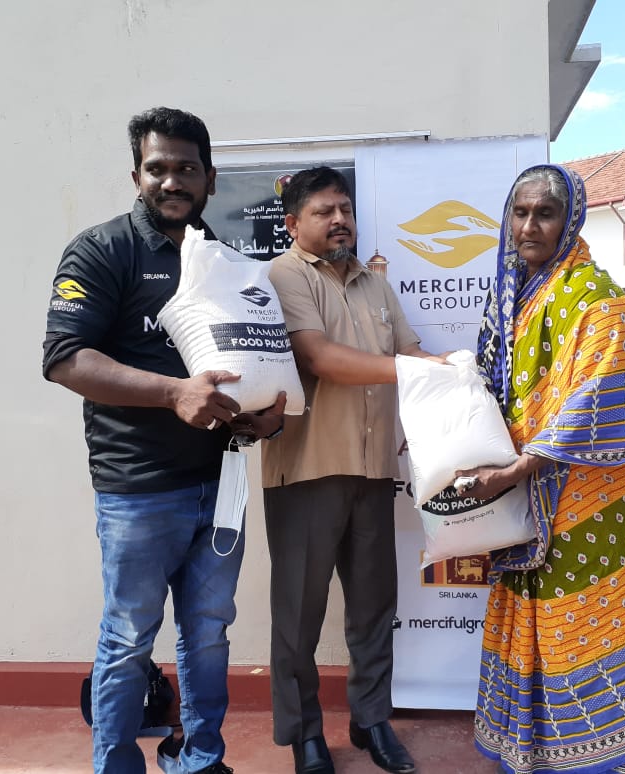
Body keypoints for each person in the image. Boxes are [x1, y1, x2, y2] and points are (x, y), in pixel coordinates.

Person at [43, 107, 285, 774]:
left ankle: (200, 757)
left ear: (209, 179)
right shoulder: (102, 251)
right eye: (158, 168)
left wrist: (267, 418)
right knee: (127, 639)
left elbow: (249, 366)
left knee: (208, 637)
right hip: (138, 492)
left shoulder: (229, 261)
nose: (171, 181)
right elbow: (65, 358)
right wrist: (173, 392)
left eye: (185, 169)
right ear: (136, 175)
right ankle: (117, 765)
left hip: (220, 485)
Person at [468, 164, 625, 773]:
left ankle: (605, 755)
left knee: (582, 625)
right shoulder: (512, 296)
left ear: (568, 220)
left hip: (590, 501)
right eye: (519, 212)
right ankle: (531, 751)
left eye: (544, 214)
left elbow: (595, 399)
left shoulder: (597, 299)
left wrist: (518, 468)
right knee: (529, 614)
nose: (528, 226)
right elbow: (490, 390)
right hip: (527, 490)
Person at [261, 166, 443, 774]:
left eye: (345, 208)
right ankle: (304, 734)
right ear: (293, 224)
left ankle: (371, 721)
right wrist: (414, 370)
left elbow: (408, 352)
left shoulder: (374, 283)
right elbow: (319, 358)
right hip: (307, 470)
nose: (339, 219)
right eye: (323, 211)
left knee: (372, 607)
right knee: (299, 613)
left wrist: (451, 366)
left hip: (370, 470)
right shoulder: (282, 276)